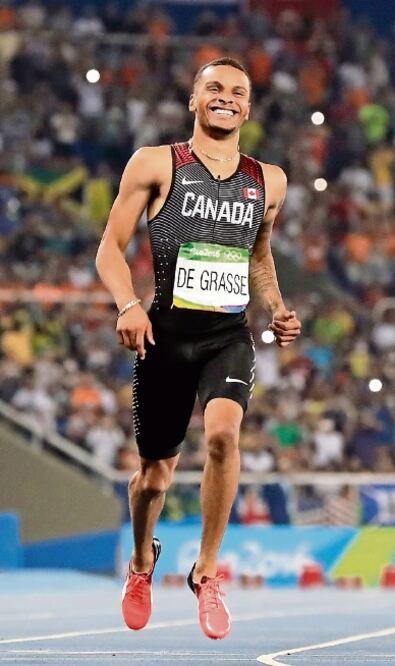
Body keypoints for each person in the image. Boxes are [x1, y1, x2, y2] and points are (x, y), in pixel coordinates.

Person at [96, 57, 301, 640]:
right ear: (194, 99)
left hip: (226, 338)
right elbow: (109, 247)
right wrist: (128, 304)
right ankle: (141, 562)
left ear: (249, 108)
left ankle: (206, 572)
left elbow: (257, 255)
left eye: (238, 92)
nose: (226, 98)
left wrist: (279, 308)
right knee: (154, 479)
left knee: (222, 436)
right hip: (165, 338)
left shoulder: (271, 180)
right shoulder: (156, 163)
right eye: (214, 88)